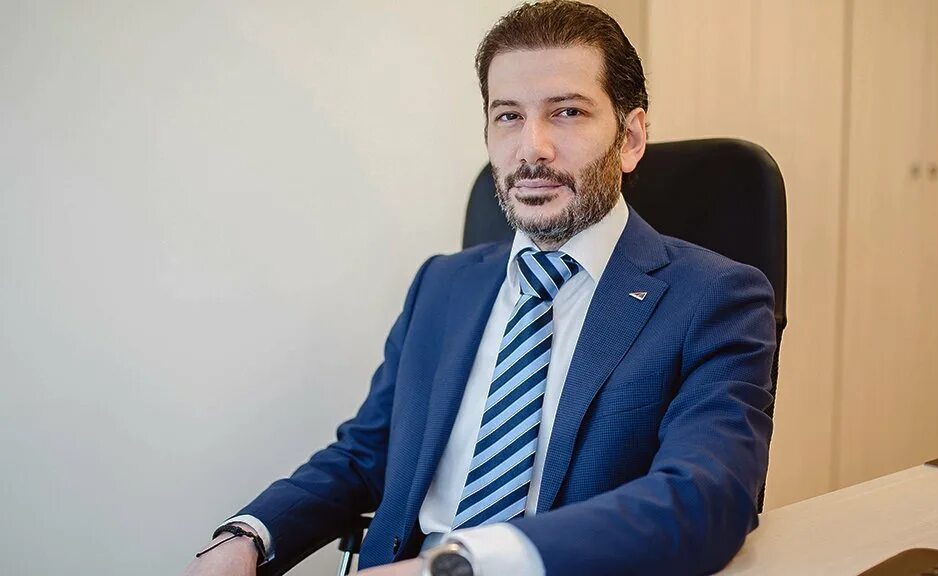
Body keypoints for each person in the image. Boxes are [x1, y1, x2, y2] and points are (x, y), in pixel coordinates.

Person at [182, 2, 776, 575]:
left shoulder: (716, 298)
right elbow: (367, 453)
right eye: (508, 115)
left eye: (567, 112)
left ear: (630, 138)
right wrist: (248, 535)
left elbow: (707, 495)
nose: (532, 147)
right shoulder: (442, 285)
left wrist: (464, 566)